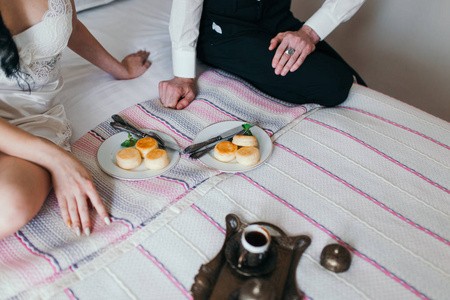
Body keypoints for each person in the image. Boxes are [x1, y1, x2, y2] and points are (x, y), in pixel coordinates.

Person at [0, 0, 151, 239]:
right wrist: (56, 158)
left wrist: (121, 70)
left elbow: (70, 24)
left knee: (11, 206)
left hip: (35, 121)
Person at [159, 0, 366, 110]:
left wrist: (309, 33)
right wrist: (183, 74)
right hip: (225, 30)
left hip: (277, 19)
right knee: (335, 85)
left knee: (357, 83)